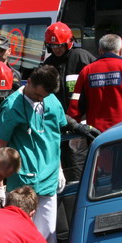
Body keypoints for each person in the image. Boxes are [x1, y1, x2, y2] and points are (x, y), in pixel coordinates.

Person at [0, 65, 90, 243]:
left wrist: (60, 169)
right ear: (28, 82)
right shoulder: (11, 107)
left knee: (47, 233)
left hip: (49, 178)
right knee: (22, 235)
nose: (40, 100)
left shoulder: (51, 101)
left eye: (44, 97)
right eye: (37, 95)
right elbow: (1, 148)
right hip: (22, 183)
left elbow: (56, 135)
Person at [42, 22, 96, 182]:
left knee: (77, 165)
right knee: (62, 166)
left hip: (81, 122)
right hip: (59, 124)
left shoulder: (81, 57)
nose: (57, 49)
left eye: (60, 45)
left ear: (68, 43)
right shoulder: (49, 64)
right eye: (53, 46)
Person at [68, 34, 122, 132]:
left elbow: (75, 105)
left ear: (100, 51)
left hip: (97, 135)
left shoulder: (87, 71)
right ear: (121, 50)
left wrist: (73, 127)